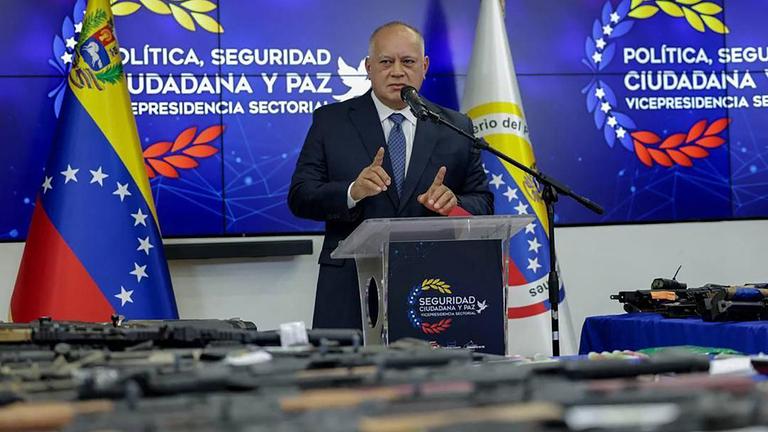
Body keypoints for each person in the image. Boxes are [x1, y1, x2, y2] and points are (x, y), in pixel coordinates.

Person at [288, 21, 493, 329]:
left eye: (408, 61)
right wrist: (352, 192)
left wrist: (453, 203)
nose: (397, 72)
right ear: (368, 67)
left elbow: (483, 202)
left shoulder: (455, 126)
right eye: (386, 62)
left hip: (434, 286)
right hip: (350, 287)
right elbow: (300, 197)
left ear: (424, 67)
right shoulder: (331, 122)